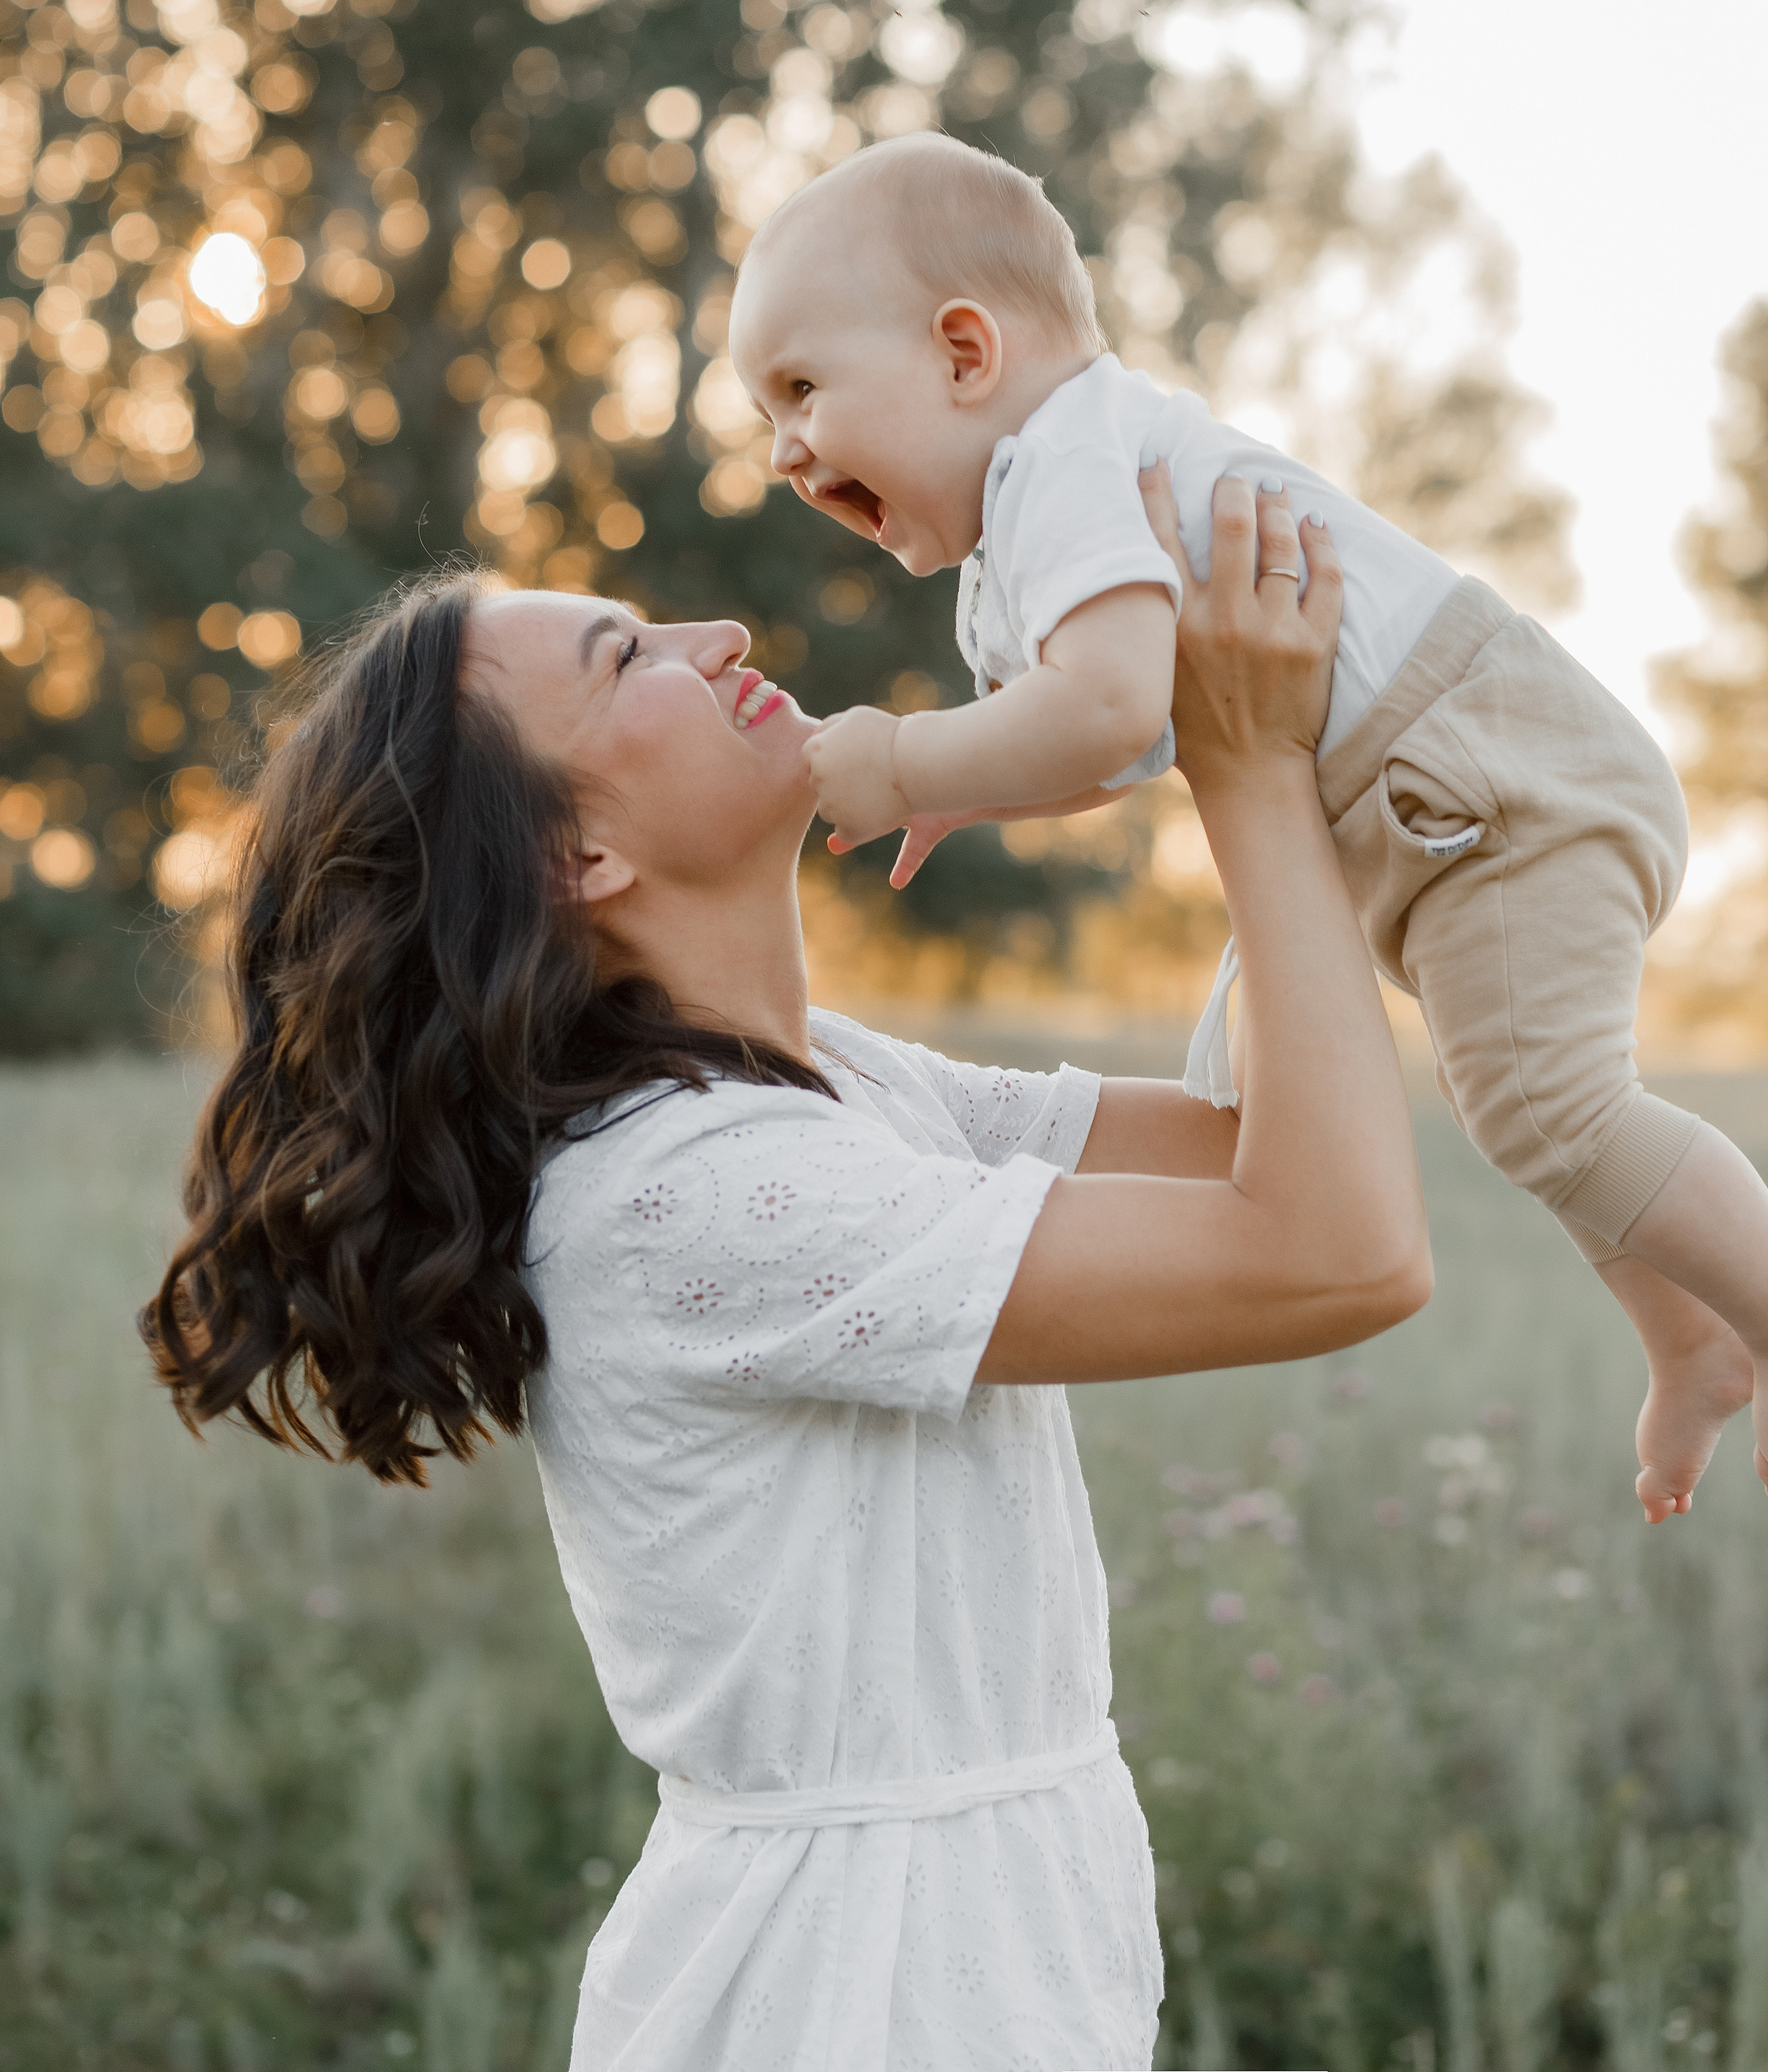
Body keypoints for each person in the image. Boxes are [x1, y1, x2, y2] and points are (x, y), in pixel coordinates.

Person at [141, 474, 1428, 2072]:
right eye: (626, 660)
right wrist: (1244, 771)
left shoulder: (828, 1088)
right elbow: (1336, 1249)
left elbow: (1271, 1136)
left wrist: (1248, 739)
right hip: (847, 1996)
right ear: (582, 858)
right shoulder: (693, 1194)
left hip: (993, 1935)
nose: (720, 631)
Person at [727, 129, 1768, 1528]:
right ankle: (1692, 1330)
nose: (783, 450)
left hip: (1494, 765)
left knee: (1545, 1108)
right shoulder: (1025, 521)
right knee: (1513, 1093)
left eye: (798, 392)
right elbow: (1117, 724)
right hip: (1417, 807)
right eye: (763, 417)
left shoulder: (1066, 464)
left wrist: (910, 761)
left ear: (964, 356)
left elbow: (1100, 713)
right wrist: (983, 778)